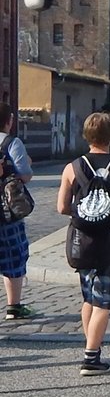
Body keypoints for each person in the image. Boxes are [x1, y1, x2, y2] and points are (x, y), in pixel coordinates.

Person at [57, 111, 110, 376]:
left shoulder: (72, 167)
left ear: (86, 136)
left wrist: (84, 212)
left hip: (81, 241)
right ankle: (91, 359)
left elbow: (61, 207)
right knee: (104, 303)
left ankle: (91, 348)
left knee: (89, 297)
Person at [0, 103, 35, 321]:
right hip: (7, 211)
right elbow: (25, 175)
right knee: (14, 255)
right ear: (9, 120)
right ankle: (14, 307)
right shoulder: (12, 143)